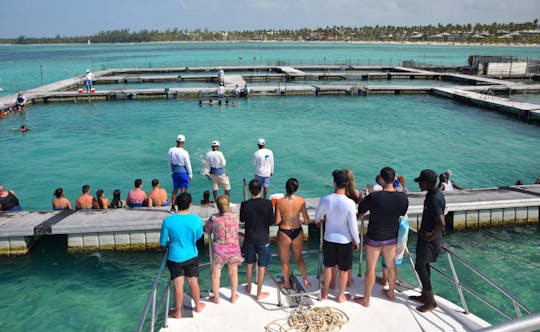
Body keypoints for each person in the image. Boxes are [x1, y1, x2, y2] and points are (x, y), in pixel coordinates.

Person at [354, 167, 408, 307]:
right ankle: (391, 293)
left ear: (382, 179)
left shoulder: (374, 196)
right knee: (391, 266)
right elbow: (402, 212)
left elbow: (361, 210)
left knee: (370, 269)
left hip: (374, 237)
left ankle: (366, 299)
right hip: (391, 237)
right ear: (394, 179)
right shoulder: (402, 197)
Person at [315, 170, 360, 303]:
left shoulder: (326, 199)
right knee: (344, 269)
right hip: (345, 240)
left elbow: (318, 218)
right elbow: (353, 225)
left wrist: (319, 221)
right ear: (346, 184)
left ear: (334, 183)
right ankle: (341, 295)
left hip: (329, 238)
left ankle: (325, 293)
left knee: (328, 266)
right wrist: (356, 241)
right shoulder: (350, 203)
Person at [159, 192, 205, 318]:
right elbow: (199, 235)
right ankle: (198, 305)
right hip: (191, 255)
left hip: (174, 257)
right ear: (190, 204)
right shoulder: (196, 219)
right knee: (193, 282)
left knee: (178, 285)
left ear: (177, 204)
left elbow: (162, 242)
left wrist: (171, 244)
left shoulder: (168, 221)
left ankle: (178, 312)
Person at [409, 169, 446, 313]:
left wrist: (431, 236)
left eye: (421, 182)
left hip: (429, 240)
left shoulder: (434, 198)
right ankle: (424, 294)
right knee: (424, 266)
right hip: (426, 237)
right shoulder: (432, 194)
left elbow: (441, 222)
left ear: (429, 183)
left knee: (420, 266)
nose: (419, 184)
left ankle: (431, 301)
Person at [205, 195, 243, 304]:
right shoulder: (235, 216)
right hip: (233, 248)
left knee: (216, 274)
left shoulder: (214, 218)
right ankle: (233, 297)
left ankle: (216, 298)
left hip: (219, 249)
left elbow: (207, 229)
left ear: (218, 206)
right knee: (233, 272)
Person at [240, 179, 274, 300]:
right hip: (263, 238)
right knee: (262, 265)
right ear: (260, 190)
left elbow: (242, 219)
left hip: (249, 238)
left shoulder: (245, 204)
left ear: (249, 190)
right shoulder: (268, 203)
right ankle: (259, 293)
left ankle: (249, 286)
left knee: (249, 263)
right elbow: (271, 221)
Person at [275, 178, 311, 290]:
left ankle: (286, 283)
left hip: (284, 232)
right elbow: (307, 220)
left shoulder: (280, 201)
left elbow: (277, 221)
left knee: (285, 261)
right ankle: (305, 280)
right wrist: (299, 221)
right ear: (296, 188)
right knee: (299, 258)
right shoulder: (301, 200)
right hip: (297, 231)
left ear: (286, 188)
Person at [168, 134, 193, 212]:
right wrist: (190, 174)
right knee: (183, 191)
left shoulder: (171, 150)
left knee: (175, 190)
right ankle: (182, 207)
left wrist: (171, 171)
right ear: (183, 142)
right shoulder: (185, 152)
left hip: (175, 172)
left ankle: (172, 207)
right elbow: (188, 164)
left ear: (176, 141)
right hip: (183, 172)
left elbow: (169, 162)